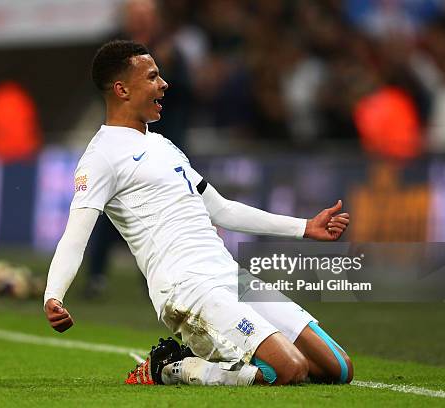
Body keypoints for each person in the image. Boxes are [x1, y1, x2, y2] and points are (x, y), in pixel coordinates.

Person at [43, 40, 353, 386]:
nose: (164, 84)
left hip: (226, 274)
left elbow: (221, 209)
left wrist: (305, 227)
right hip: (187, 288)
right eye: (152, 77)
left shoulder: (163, 146)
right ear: (122, 89)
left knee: (338, 368)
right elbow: (75, 234)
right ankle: (175, 368)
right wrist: (53, 294)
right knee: (290, 369)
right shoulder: (101, 156)